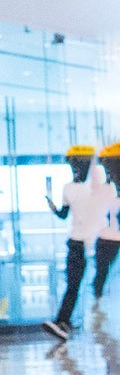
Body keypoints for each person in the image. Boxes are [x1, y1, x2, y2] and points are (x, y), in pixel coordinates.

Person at [43, 145, 112, 341]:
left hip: (99, 242)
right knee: (73, 285)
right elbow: (64, 214)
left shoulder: (101, 189)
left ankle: (97, 323)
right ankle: (63, 321)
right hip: (77, 243)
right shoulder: (70, 189)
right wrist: (54, 208)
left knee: (97, 286)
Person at [93, 143, 120, 305]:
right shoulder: (105, 190)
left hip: (108, 238)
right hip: (107, 238)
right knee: (101, 276)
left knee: (102, 276)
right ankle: (98, 304)